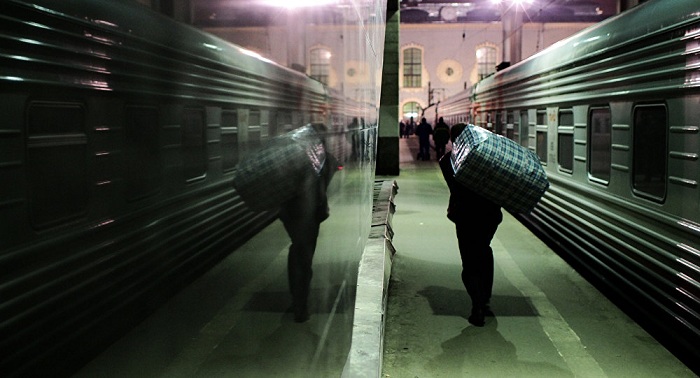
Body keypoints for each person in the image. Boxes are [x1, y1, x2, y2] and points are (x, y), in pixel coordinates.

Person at [438, 123, 502, 327]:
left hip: (465, 216)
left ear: (452, 140)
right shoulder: (489, 157)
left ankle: (477, 305)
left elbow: (455, 189)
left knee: (469, 261)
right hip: (490, 216)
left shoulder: (447, 161)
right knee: (484, 252)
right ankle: (485, 300)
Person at [278, 126, 337, 323]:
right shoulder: (320, 159)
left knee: (297, 252)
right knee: (304, 258)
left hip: (290, 215)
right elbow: (322, 185)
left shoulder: (293, 157)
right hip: (309, 216)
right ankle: (300, 307)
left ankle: (297, 300)